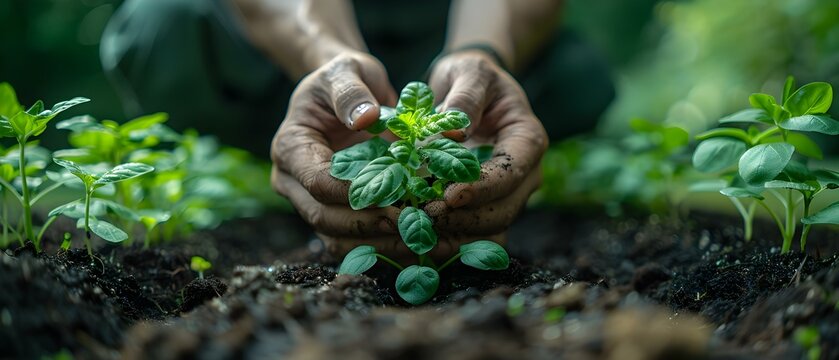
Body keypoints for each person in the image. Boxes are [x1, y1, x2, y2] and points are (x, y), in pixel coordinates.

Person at [101, 0, 614, 259]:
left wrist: (481, 52)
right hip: (284, 29)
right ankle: (310, 134)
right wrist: (330, 57)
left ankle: (426, 163)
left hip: (441, 25)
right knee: (160, 23)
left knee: (580, 75)